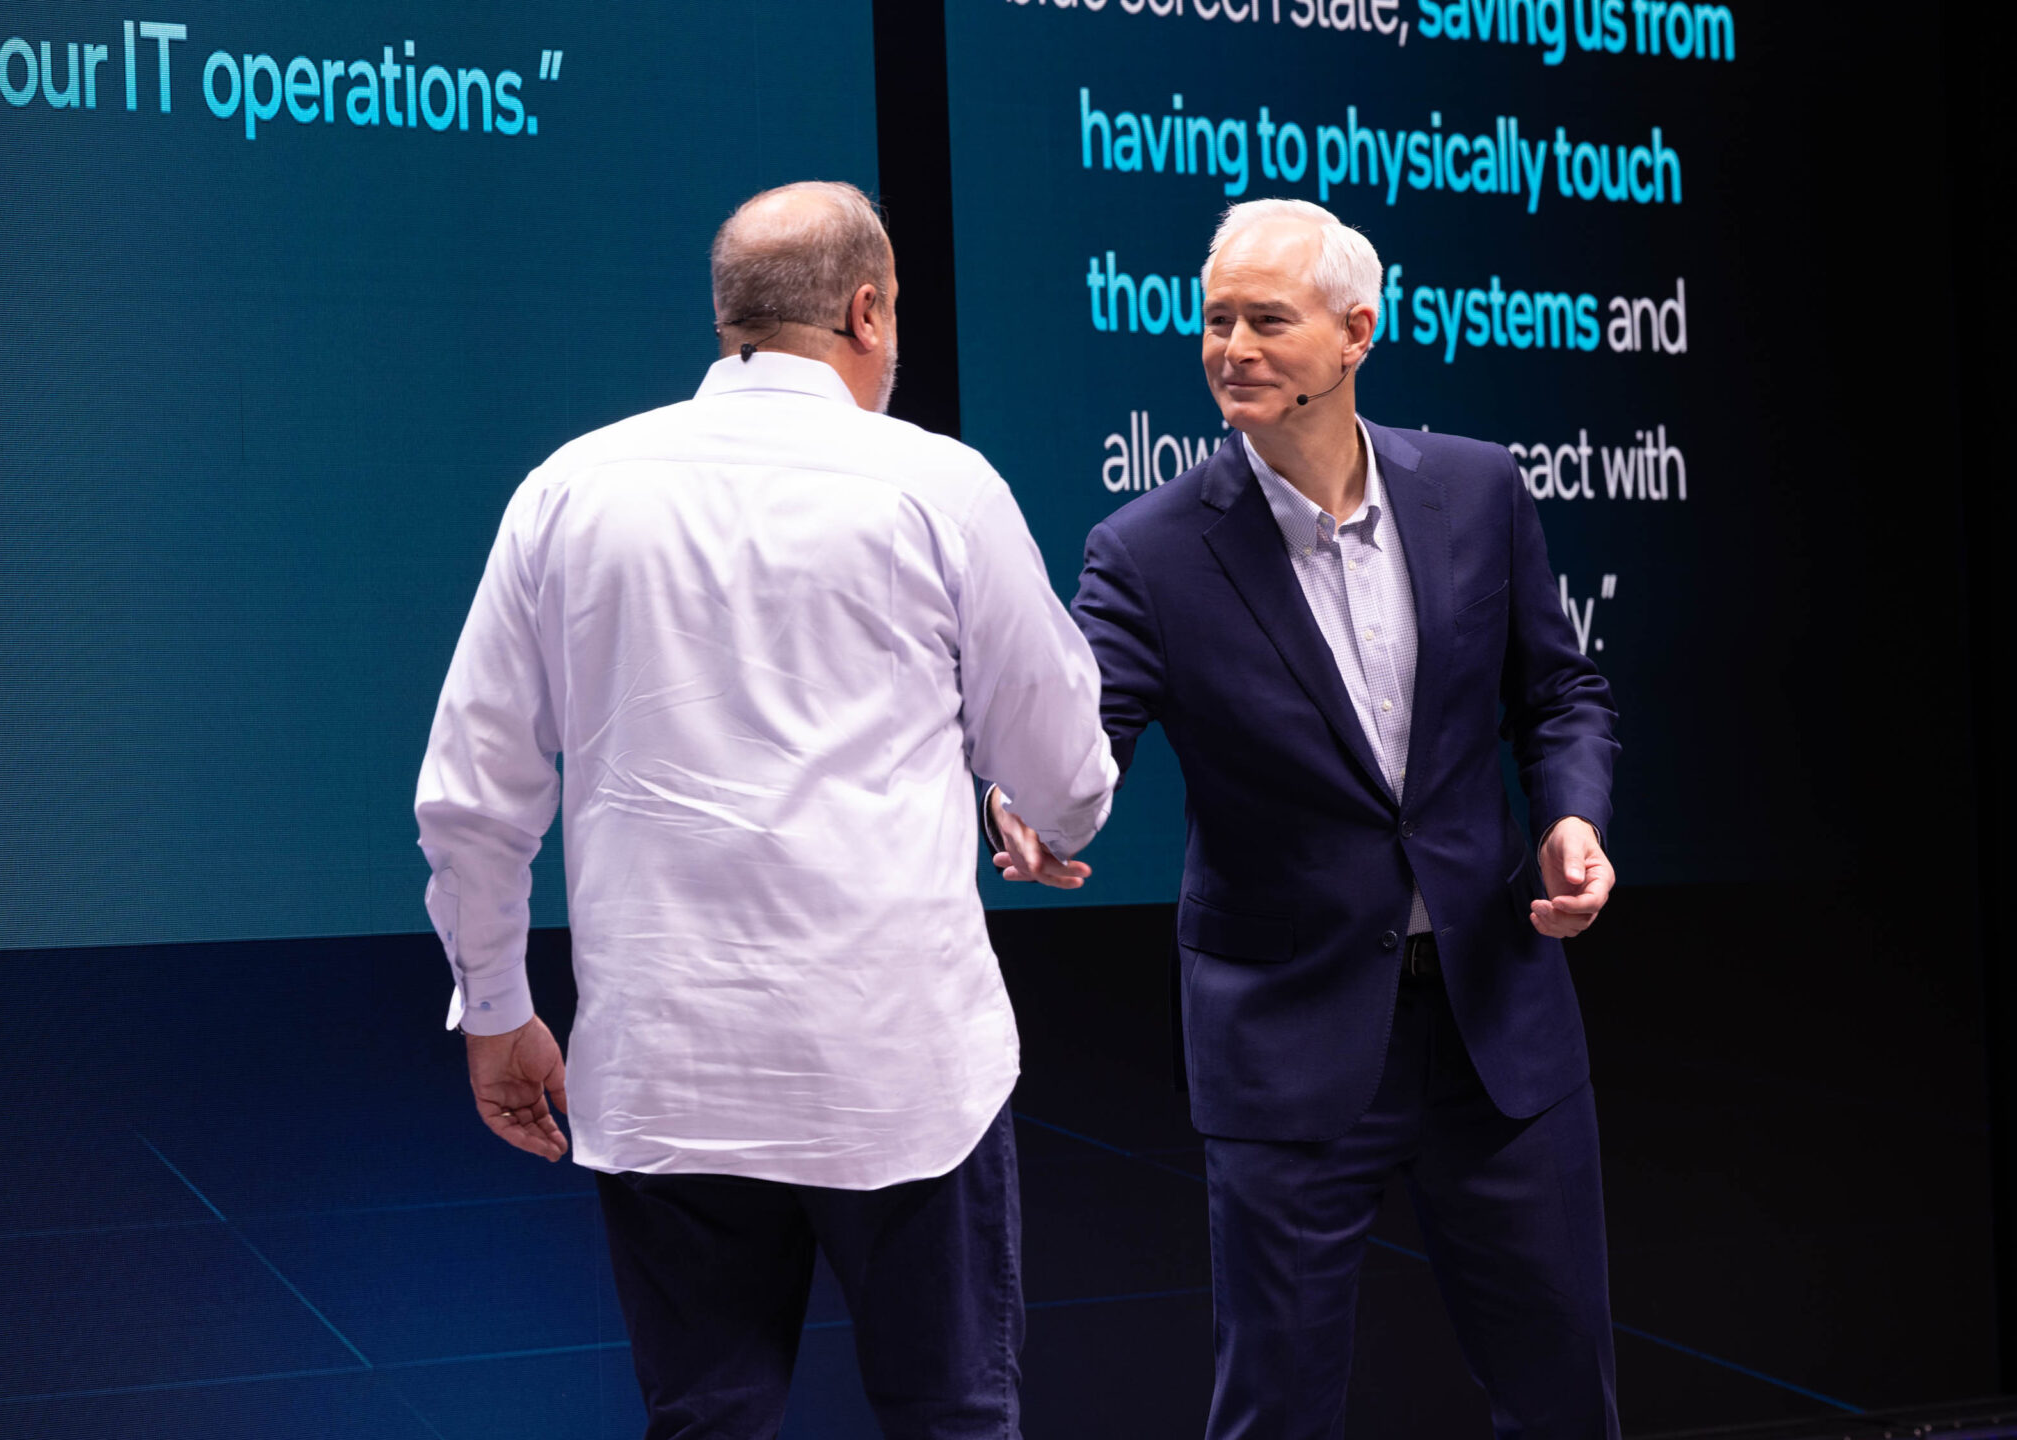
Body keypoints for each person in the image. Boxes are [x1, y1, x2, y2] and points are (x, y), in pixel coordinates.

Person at [415, 180, 1116, 1440]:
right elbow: (1065, 767)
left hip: (667, 1074)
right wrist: (1034, 809)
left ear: (729, 316)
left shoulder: (569, 488)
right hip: (902, 1077)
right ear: (867, 311)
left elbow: (473, 793)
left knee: (707, 1425)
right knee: (955, 1422)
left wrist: (498, 1009)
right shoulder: (938, 486)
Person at [990, 198, 1622, 1437]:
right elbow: (1082, 732)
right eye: (1215, 320)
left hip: (1498, 1024)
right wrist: (1027, 803)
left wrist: (1573, 818)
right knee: (1274, 1412)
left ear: (1355, 333)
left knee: (1563, 1399)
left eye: (1267, 321)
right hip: (1287, 1044)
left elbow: (1559, 694)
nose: (1232, 348)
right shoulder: (1148, 550)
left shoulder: (1477, 490)